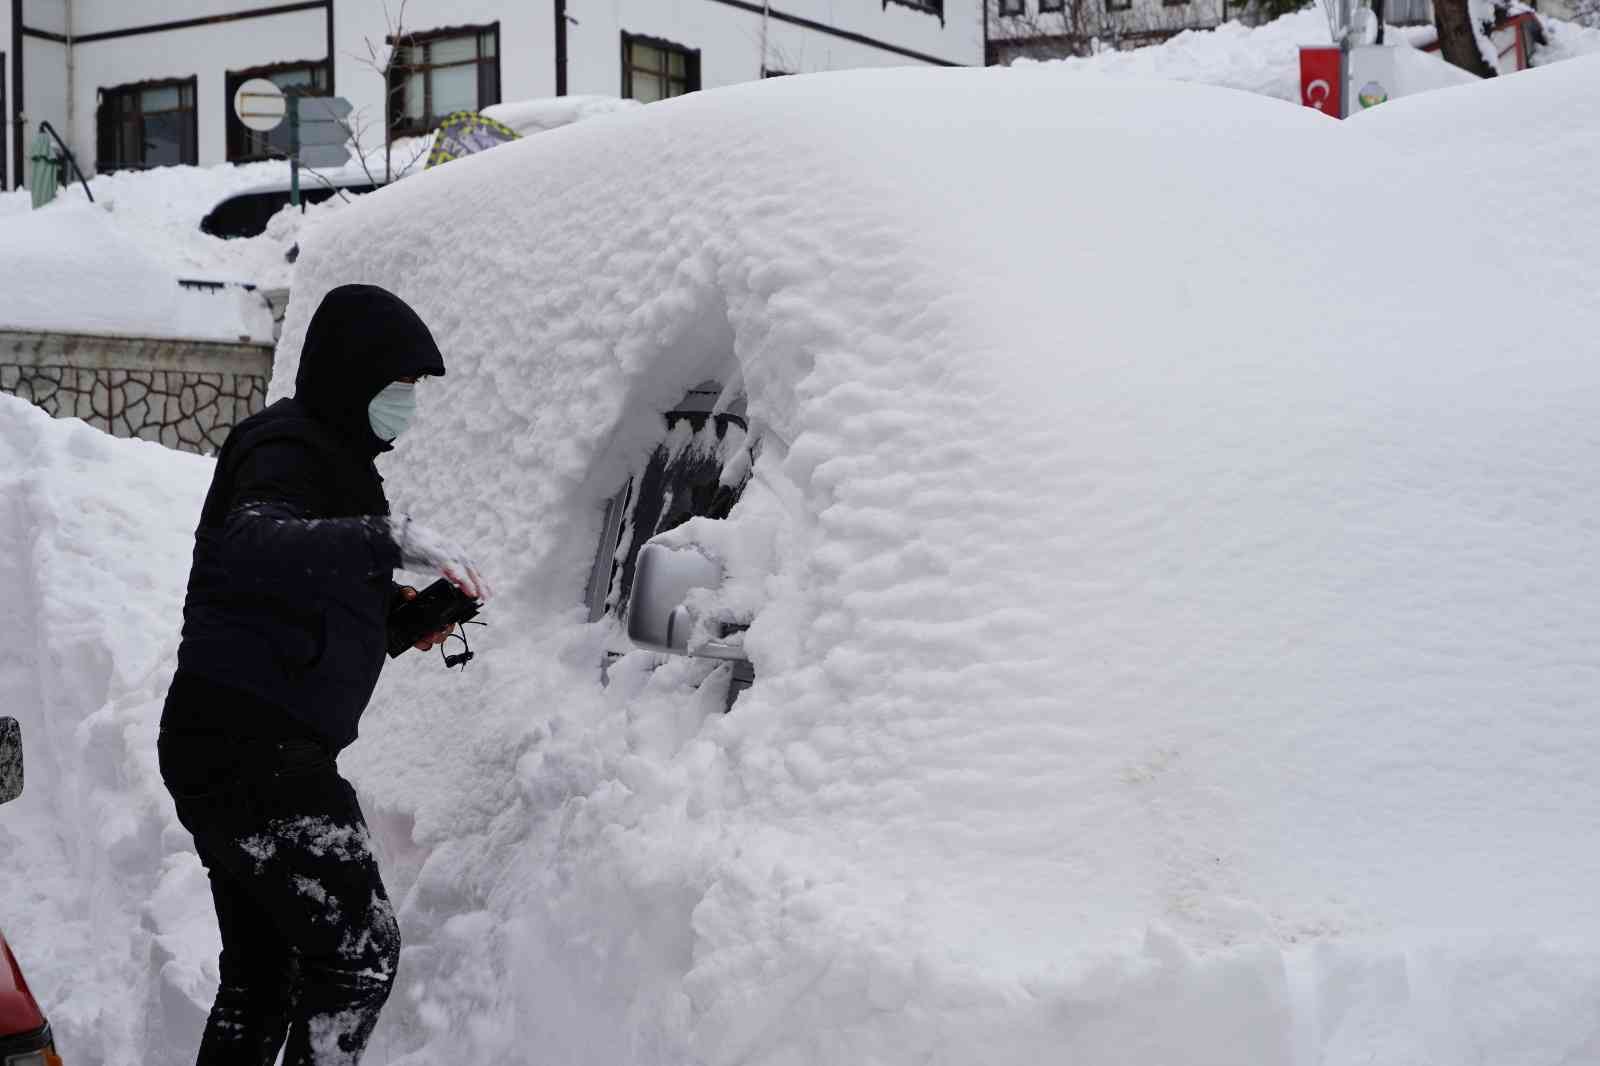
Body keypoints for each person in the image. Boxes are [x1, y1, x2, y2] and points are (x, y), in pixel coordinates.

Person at [157, 284, 487, 1065]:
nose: (406, 404)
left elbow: (309, 609)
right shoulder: (287, 449)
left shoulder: (338, 462)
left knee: (263, 976)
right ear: (353, 374)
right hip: (255, 755)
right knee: (358, 960)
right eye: (397, 386)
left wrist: (410, 620)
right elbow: (253, 540)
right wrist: (386, 537)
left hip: (228, 746)